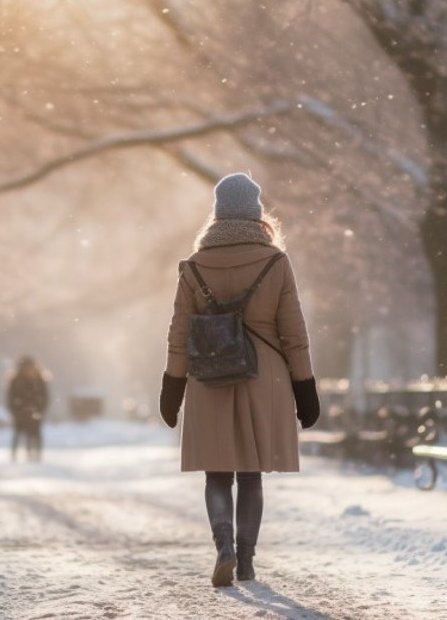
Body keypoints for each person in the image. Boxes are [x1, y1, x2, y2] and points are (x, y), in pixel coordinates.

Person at [159, 172, 320, 588]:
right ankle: (246, 560)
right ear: (256, 212)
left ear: (217, 213)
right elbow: (293, 333)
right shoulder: (275, 262)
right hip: (264, 377)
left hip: (209, 374)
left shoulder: (194, 266)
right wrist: (305, 388)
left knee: (216, 472)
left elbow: (179, 333)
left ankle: (224, 547)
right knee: (251, 473)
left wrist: (172, 386)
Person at [6, 355, 49, 462]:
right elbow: (11, 398)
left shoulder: (39, 379)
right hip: (20, 413)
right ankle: (14, 456)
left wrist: (39, 410)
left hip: (35, 412)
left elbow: (44, 397)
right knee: (18, 434)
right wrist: (17, 411)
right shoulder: (16, 381)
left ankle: (36, 456)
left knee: (35, 435)